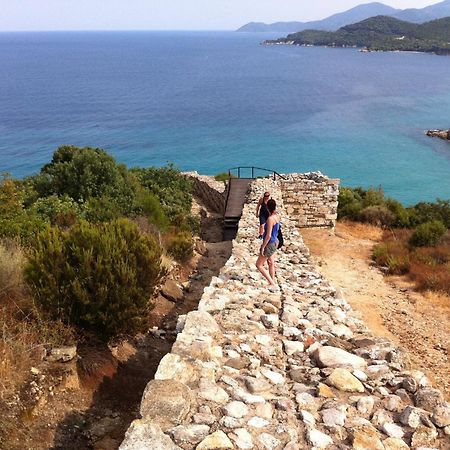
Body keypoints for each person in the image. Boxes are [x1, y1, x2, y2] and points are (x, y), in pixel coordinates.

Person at [256, 198, 280, 291]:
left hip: (270, 243)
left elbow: (268, 235)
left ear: (267, 207)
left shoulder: (270, 219)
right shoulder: (277, 217)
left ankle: (272, 283)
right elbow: (277, 230)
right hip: (275, 242)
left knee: (259, 265)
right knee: (270, 262)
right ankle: (272, 281)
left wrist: (263, 246)